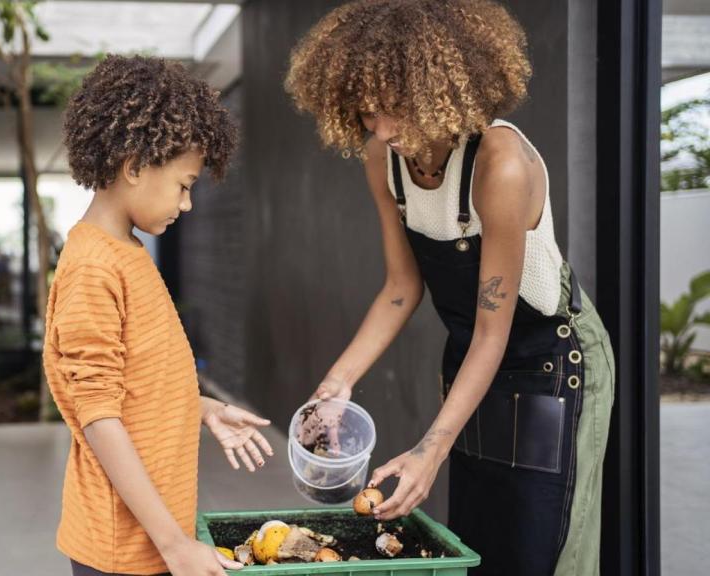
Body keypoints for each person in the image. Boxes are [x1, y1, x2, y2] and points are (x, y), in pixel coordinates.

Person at [285, 2, 615, 575]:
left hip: (552, 366)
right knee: (478, 548)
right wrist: (335, 385)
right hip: (471, 365)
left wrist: (428, 449)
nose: (384, 131)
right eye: (368, 114)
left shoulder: (500, 165)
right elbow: (400, 287)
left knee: (540, 549)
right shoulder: (383, 162)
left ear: (442, 93)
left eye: (397, 113)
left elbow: (496, 328)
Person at [44, 55, 271, 576]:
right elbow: (100, 417)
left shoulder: (126, 252)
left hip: (153, 542)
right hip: (122, 552)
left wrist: (202, 408)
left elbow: (136, 383)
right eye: (184, 185)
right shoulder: (93, 269)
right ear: (133, 167)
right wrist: (174, 545)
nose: (187, 203)